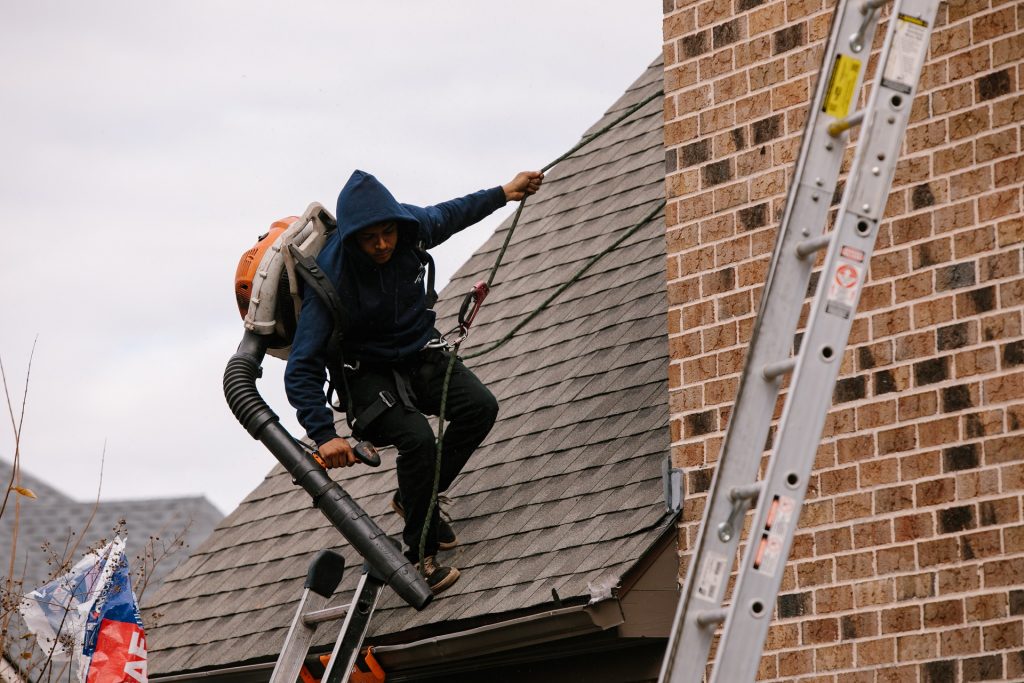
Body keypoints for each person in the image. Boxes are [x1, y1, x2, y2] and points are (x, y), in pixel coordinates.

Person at [285, 169, 543, 593]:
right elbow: (303, 364)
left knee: (480, 408)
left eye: (387, 233)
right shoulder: (331, 278)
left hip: (419, 351)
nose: (383, 244)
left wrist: (504, 192)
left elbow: (452, 212)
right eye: (371, 239)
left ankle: (414, 500)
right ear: (353, 239)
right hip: (364, 374)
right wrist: (322, 432)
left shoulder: (410, 229)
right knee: (418, 440)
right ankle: (420, 557)